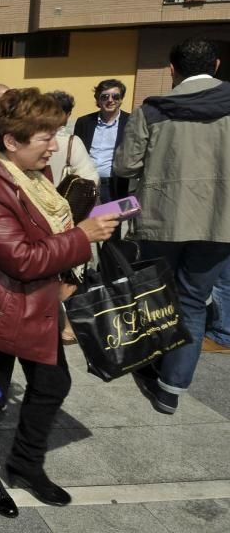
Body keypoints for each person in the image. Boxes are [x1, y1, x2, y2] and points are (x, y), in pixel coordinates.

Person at [0, 88, 118, 519]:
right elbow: (23, 258)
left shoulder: (34, 173)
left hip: (39, 301)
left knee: (52, 384)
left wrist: (70, 260)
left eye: (56, 134)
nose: (54, 146)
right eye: (45, 137)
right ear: (11, 141)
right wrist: (82, 237)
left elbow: (46, 235)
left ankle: (25, 465)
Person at [115, 37, 230, 414]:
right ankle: (171, 389)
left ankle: (154, 361)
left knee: (157, 294)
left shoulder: (152, 110)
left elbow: (125, 166)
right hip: (220, 222)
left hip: (163, 219)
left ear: (171, 70)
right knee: (195, 302)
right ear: (215, 66)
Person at [74, 79, 130, 203]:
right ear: (98, 99)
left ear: (121, 99)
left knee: (113, 221)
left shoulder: (130, 122)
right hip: (86, 183)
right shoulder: (84, 122)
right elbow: (76, 153)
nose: (110, 100)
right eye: (105, 96)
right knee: (84, 220)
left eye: (115, 96)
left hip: (114, 185)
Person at [45, 91, 99, 186]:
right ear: (68, 115)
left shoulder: (27, 136)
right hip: (60, 198)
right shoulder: (73, 142)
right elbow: (91, 178)